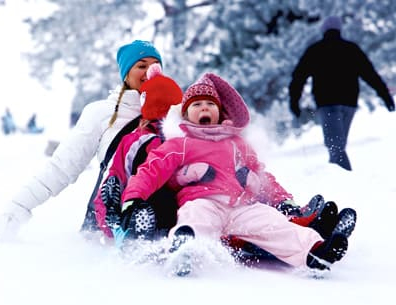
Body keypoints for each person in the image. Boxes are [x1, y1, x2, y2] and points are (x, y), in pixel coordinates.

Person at [120, 73, 349, 274]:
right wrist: (133, 199)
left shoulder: (237, 143)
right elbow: (152, 169)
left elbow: (264, 176)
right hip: (203, 201)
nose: (204, 108)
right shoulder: (181, 143)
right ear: (187, 115)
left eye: (210, 105)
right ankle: (183, 248)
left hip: (242, 207)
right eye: (197, 104)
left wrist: (261, 185)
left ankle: (315, 251)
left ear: (220, 113)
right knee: (195, 218)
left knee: (273, 223)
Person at [0, 40, 164, 242]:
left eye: (155, 65)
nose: (150, 72)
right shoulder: (101, 113)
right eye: (141, 66)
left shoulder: (176, 114)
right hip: (109, 224)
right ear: (126, 74)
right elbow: (62, 167)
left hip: (166, 219)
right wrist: (18, 207)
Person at [289, 16, 395, 171]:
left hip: (327, 103)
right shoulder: (352, 49)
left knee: (335, 146)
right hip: (349, 104)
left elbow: (298, 78)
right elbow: (370, 75)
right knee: (338, 145)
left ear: (324, 30)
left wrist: (294, 102)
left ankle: (344, 180)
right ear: (339, 30)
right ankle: (341, 180)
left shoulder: (315, 50)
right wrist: (385, 96)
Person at [94, 63, 182, 242]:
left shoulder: (134, 140)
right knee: (163, 198)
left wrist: (104, 218)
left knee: (128, 189)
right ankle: (133, 225)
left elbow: (116, 174)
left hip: (138, 199)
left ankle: (125, 227)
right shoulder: (184, 140)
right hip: (169, 204)